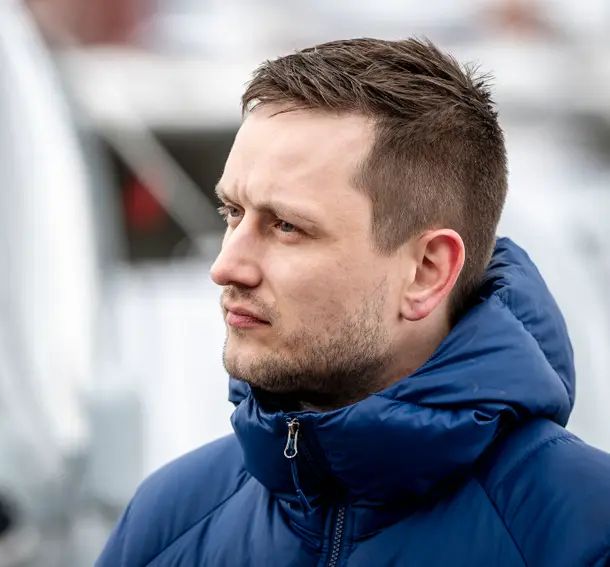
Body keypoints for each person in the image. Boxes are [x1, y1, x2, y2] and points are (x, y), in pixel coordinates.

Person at [97, 38, 610, 566]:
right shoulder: (167, 522)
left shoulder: (586, 536)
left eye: (286, 226)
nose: (226, 266)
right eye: (233, 213)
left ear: (427, 271)